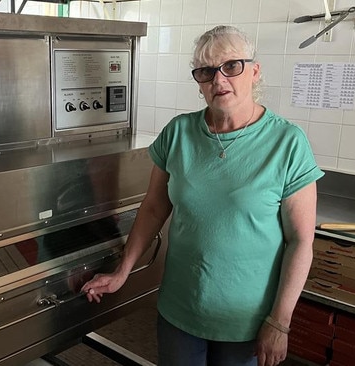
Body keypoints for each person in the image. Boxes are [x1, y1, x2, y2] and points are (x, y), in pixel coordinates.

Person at [80, 25, 324, 366]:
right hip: (181, 309)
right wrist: (123, 270)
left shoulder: (288, 143)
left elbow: (300, 241)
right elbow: (153, 207)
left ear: (254, 71)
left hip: (247, 319)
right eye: (206, 71)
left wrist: (280, 321)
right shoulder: (178, 133)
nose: (219, 80)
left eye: (231, 66)